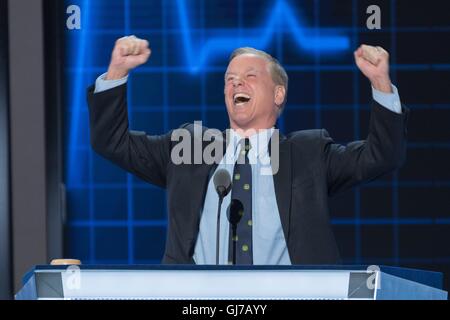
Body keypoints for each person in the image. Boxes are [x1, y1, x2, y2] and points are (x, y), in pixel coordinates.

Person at [87, 36, 408, 265]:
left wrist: (380, 82)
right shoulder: (188, 146)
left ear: (278, 94)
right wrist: (116, 73)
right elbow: (112, 142)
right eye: (229, 79)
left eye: (249, 77)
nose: (235, 85)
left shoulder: (308, 153)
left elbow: (382, 155)